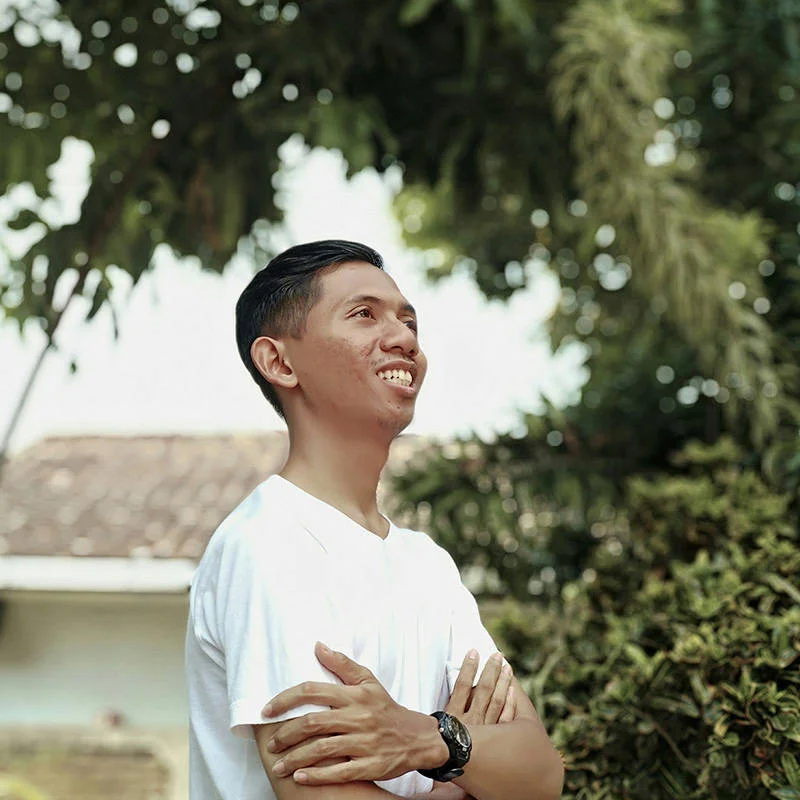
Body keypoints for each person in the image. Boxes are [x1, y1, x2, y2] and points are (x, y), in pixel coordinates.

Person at [185, 240, 565, 800]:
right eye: (364, 315)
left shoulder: (428, 565)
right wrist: (466, 778)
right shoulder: (269, 544)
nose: (404, 339)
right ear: (280, 362)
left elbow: (541, 776)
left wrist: (432, 739)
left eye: (409, 322)